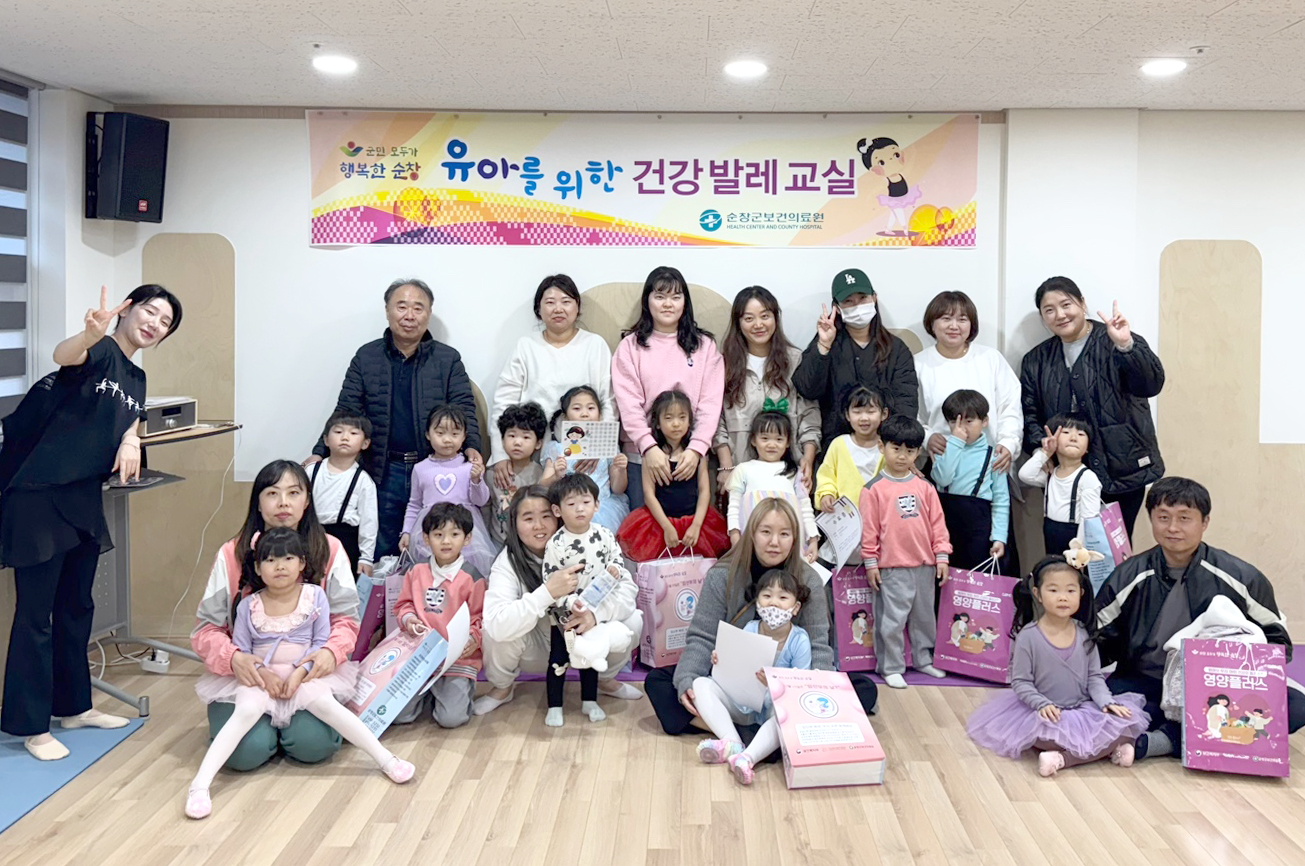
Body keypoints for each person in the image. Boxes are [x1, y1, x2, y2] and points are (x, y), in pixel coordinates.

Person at [0, 284, 182, 760]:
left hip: (82, 497)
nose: (154, 324)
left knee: (77, 606)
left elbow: (129, 417)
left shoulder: (136, 377)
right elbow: (66, 356)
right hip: (40, 494)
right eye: (150, 311)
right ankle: (31, 726)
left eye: (165, 322)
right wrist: (87, 334)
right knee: (36, 614)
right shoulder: (99, 350)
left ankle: (74, 707)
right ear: (127, 310)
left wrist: (132, 439)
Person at [186, 528, 410, 819]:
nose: (280, 566)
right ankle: (200, 786)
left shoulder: (315, 596)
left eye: (288, 558)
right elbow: (243, 650)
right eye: (270, 560)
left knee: (326, 705)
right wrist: (263, 675)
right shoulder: (248, 605)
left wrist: (300, 673)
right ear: (257, 568)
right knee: (245, 711)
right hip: (260, 677)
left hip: (304, 674)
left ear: (302, 563)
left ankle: (386, 759)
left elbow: (320, 643)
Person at [1094, 477, 1305, 759]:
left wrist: (1240, 676)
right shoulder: (1128, 576)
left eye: (1184, 518)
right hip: (1146, 680)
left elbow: (1278, 642)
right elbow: (1097, 639)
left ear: (1204, 522)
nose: (1172, 527)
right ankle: (1187, 735)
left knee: (1295, 706)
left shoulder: (1241, 577)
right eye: (1163, 517)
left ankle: (1165, 739)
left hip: (1221, 689)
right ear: (1151, 519)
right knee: (1103, 704)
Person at [645, 499, 879, 740]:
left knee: (863, 688)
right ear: (752, 534)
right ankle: (768, 737)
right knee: (660, 682)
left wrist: (819, 692)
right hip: (733, 682)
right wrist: (688, 679)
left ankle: (733, 731)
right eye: (766, 532)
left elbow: (818, 643)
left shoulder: (808, 579)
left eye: (784, 534)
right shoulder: (722, 574)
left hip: (785, 683)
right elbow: (703, 637)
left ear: (794, 538)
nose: (774, 542)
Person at [191, 460, 360, 770]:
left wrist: (329, 652)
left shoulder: (330, 549)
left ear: (307, 501)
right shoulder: (231, 553)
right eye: (272, 493)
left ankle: (291, 730)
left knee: (313, 746)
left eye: (294, 493)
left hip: (306, 676)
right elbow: (205, 630)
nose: (283, 502)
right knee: (245, 755)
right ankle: (261, 732)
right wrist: (234, 659)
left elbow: (347, 621)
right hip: (248, 679)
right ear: (258, 502)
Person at [308, 278, 481, 558]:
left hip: (434, 468)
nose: (409, 315)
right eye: (401, 307)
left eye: (418, 308)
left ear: (428, 314)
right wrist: (320, 452)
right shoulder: (367, 357)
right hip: (383, 470)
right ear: (388, 311)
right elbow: (346, 411)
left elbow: (464, 408)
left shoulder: (447, 359)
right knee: (381, 548)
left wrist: (473, 446)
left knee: (435, 549)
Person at [967, 555, 1148, 777]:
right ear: (1037, 593)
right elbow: (1021, 682)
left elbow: (1094, 678)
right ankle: (1100, 751)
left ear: (1081, 593)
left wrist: (1106, 702)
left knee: (1124, 723)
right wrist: (1041, 704)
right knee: (1049, 738)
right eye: (1053, 590)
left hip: (1082, 708)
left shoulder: (1084, 632)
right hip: (1043, 711)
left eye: (1070, 591)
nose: (1063, 597)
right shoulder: (1028, 637)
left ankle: (1065, 758)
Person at [474, 486, 643, 715]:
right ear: (514, 523)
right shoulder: (508, 561)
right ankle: (503, 688)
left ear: (558, 514)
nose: (539, 526)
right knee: (495, 630)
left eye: (546, 516)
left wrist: (595, 616)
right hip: (541, 648)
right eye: (528, 518)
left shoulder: (593, 541)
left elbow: (627, 590)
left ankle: (603, 680)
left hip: (588, 639)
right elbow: (496, 623)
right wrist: (547, 593)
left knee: (633, 620)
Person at [1020, 277, 1164, 538]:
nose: (1060, 315)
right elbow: (1030, 415)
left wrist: (1126, 346)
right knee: (1066, 550)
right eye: (1049, 310)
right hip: (1066, 475)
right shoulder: (1035, 361)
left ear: (1082, 304)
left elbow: (1150, 385)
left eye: (1066, 304)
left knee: (1112, 549)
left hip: (1121, 468)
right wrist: (1042, 449)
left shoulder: (1116, 339)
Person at [611, 265, 723, 510]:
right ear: (647, 301)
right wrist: (648, 447)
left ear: (685, 302)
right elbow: (628, 404)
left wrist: (696, 449)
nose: (668, 304)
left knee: (688, 531)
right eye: (660, 296)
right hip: (642, 458)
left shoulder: (704, 346)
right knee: (645, 530)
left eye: (676, 297)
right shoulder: (630, 346)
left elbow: (710, 404)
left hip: (690, 460)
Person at [488, 274, 616, 489]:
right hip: (531, 452)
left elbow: (608, 400)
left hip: (585, 454)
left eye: (566, 301)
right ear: (538, 309)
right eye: (550, 302)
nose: (558, 309)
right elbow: (504, 402)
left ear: (577, 306)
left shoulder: (595, 345)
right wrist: (500, 454)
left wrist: (598, 448)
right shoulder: (526, 346)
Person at [693, 568, 813, 785]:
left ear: (795, 607)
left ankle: (747, 758)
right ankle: (732, 743)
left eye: (782, 597)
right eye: (767, 596)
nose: (773, 603)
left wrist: (775, 682)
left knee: (787, 716)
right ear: (757, 602)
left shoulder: (799, 640)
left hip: (773, 710)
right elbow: (736, 667)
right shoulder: (750, 628)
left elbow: (801, 687)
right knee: (700, 684)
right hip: (744, 704)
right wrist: (721, 660)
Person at [860, 415, 951, 689]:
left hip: (924, 565)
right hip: (891, 567)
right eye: (896, 448)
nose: (902, 456)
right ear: (882, 447)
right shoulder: (873, 490)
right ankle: (890, 667)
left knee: (924, 617)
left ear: (918, 452)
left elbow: (938, 524)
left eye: (909, 451)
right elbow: (869, 531)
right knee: (892, 620)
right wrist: (871, 562)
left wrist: (942, 555)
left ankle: (923, 659)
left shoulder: (925, 487)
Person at [541, 473, 636, 726]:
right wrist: (569, 603)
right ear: (558, 510)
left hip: (595, 610)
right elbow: (550, 579)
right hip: (565, 615)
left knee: (592, 656)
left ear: (596, 505)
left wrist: (615, 569)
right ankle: (555, 705)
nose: (579, 509)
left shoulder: (604, 535)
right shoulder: (556, 543)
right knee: (558, 659)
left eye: (585, 502)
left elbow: (616, 559)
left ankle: (590, 701)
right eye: (571, 504)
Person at [793, 268, 917, 451]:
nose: (857, 306)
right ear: (837, 307)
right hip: (836, 449)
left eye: (862, 298)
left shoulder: (896, 349)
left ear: (874, 298)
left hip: (884, 448)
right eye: (848, 301)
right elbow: (807, 389)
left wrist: (891, 444)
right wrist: (824, 346)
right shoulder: (827, 343)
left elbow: (906, 403)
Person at [714, 286, 821, 493]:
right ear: (738, 323)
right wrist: (726, 466)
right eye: (749, 318)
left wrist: (808, 459)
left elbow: (810, 416)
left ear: (775, 318)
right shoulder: (724, 364)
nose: (758, 324)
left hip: (789, 475)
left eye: (765, 316)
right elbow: (716, 419)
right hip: (741, 474)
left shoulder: (796, 360)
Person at [393, 503, 486, 729]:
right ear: (426, 539)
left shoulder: (473, 578)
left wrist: (472, 639)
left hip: (456, 660)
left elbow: (480, 619)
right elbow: (403, 605)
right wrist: (409, 620)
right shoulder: (415, 572)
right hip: (419, 656)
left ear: (467, 538)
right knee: (399, 716)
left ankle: (451, 691)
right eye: (438, 535)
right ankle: (429, 694)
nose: (446, 541)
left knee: (451, 719)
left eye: (454, 534)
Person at [914, 291, 1021, 477]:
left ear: (971, 325)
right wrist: (926, 438)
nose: (954, 326)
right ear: (931, 323)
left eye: (962, 319)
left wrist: (1008, 443)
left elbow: (1009, 406)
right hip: (941, 464)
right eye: (946, 318)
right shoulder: (918, 364)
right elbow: (911, 414)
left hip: (990, 464)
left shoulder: (990, 358)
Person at [616, 390, 729, 561]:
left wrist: (696, 526)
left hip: (695, 523)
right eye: (669, 418)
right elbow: (649, 495)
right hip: (659, 524)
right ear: (658, 423)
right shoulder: (650, 456)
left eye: (682, 417)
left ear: (690, 421)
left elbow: (704, 491)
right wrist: (667, 527)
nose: (676, 424)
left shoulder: (697, 454)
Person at [399, 404, 494, 575]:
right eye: (440, 433)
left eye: (455, 434)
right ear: (428, 434)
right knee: (430, 573)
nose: (447, 439)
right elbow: (414, 504)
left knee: (466, 574)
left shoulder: (469, 467)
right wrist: (406, 531)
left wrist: (476, 480)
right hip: (431, 529)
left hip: (463, 529)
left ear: (464, 436)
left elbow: (481, 501)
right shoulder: (420, 468)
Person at [930, 390, 1010, 571]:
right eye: (954, 422)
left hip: (978, 527)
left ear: (984, 421)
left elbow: (1001, 500)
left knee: (974, 578)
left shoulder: (993, 456)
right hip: (944, 525)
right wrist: (955, 443)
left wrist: (999, 537)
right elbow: (942, 478)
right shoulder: (944, 450)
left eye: (969, 421)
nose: (962, 428)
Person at [724, 411, 819, 562]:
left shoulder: (795, 472)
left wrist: (813, 539)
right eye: (765, 438)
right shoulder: (743, 469)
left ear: (788, 442)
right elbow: (734, 507)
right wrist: (735, 536)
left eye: (779, 439)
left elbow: (805, 507)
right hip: (751, 544)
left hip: (789, 547)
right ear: (753, 440)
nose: (772, 444)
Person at [540, 385, 629, 532]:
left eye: (591, 408)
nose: (584, 414)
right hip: (568, 510)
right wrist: (556, 476)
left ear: (599, 415)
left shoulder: (608, 447)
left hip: (602, 508)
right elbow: (542, 485)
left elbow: (618, 489)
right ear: (565, 417)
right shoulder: (556, 449)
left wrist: (621, 470)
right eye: (577, 408)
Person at [1018, 414, 1101, 557]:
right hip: (1050, 533)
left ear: (1088, 447)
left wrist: (1078, 552)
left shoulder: (1087, 478)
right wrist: (1045, 452)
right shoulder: (1051, 474)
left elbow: (1088, 521)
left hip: (1075, 540)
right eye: (1066, 432)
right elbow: (1025, 475)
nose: (1073, 438)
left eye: (1081, 434)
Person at [309, 411, 378, 576]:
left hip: (346, 542)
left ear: (365, 443)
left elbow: (369, 522)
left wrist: (366, 558)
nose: (345, 437)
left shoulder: (363, 481)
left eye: (353, 433)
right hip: (310, 536)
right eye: (338, 432)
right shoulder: (311, 471)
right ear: (326, 440)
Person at [815, 385, 887, 519]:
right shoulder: (839, 444)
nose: (864, 418)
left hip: (880, 517)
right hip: (845, 519)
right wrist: (826, 494)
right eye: (857, 412)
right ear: (847, 415)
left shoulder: (888, 447)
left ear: (884, 414)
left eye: (871, 412)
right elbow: (827, 475)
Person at [487, 402, 548, 547]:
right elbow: (485, 509)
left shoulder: (540, 474)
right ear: (502, 440)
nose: (517, 442)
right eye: (512, 435)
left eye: (526, 437)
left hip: (528, 544)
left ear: (538, 443)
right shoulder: (491, 474)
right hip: (497, 543)